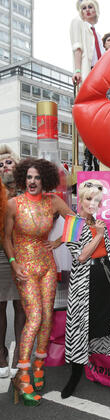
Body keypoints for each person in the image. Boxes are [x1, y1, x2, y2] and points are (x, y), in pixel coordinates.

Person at [4, 158, 73, 406]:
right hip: (25, 269)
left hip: (47, 265)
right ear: (24, 179)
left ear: (45, 180)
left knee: (47, 316)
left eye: (37, 178)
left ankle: (40, 363)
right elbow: (7, 238)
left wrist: (59, 242)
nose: (33, 182)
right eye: (29, 177)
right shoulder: (13, 204)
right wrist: (14, 263)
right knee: (33, 317)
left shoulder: (53, 201)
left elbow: (74, 221)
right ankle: (23, 375)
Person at [61, 179, 110, 402]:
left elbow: (107, 252)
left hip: (109, 281)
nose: (93, 203)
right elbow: (81, 256)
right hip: (84, 286)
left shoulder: (100, 223)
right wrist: (99, 234)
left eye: (97, 200)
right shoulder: (72, 223)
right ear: (80, 200)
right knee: (80, 330)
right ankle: (74, 377)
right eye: (89, 199)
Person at [70, 0, 105, 171]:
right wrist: (77, 70)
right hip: (87, 73)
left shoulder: (96, 32)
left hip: (99, 77)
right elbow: (78, 47)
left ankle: (98, 157)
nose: (87, 10)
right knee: (89, 119)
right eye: (83, 8)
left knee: (99, 120)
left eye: (90, 6)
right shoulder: (78, 23)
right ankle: (88, 160)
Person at [0, 146, 25, 379]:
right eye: (0, 164)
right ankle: (0, 353)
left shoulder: (29, 190)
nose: (5, 166)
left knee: (20, 305)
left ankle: (19, 352)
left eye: (8, 162)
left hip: (24, 253)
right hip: (0, 254)